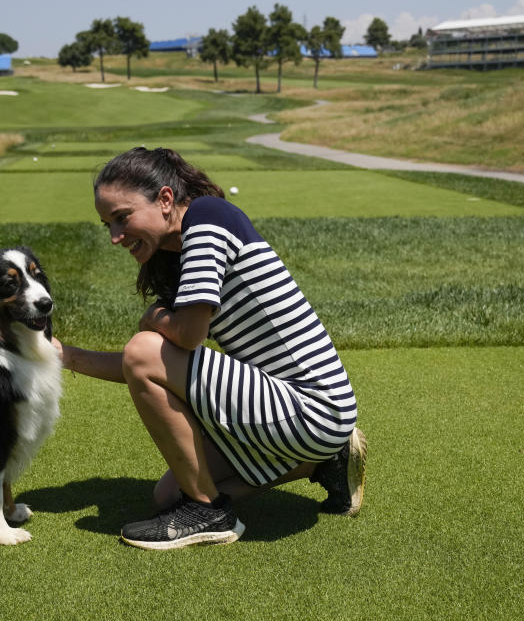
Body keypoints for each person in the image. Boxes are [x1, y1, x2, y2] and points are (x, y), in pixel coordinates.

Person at [51, 147, 366, 550]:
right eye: (107, 224)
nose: (114, 237)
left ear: (166, 200)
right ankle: (324, 462)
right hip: (305, 416)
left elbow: (186, 337)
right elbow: (147, 365)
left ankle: (208, 512)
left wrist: (154, 319)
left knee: (144, 349)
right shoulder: (177, 253)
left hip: (313, 407)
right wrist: (68, 356)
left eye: (122, 217)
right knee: (166, 497)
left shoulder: (207, 218)